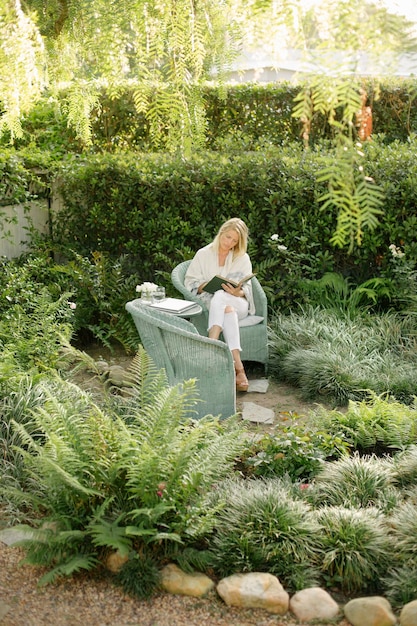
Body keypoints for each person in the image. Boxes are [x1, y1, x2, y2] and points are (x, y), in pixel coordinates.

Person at [184, 217, 255, 392]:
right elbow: (190, 282)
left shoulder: (242, 257)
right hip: (214, 303)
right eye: (227, 237)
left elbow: (247, 288)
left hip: (239, 304)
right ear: (221, 232)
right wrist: (206, 285)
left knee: (223, 296)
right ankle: (239, 370)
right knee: (225, 307)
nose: (229, 242)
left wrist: (236, 292)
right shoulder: (203, 254)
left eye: (234, 240)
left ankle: (210, 346)